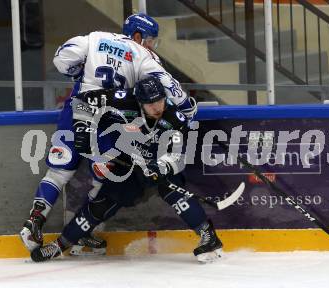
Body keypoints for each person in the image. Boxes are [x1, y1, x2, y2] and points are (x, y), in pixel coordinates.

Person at [20, 13, 197, 255]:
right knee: (106, 173)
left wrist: (78, 73)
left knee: (60, 170)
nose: (152, 45)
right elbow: (173, 92)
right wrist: (188, 108)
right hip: (109, 120)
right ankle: (83, 234)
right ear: (137, 35)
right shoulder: (144, 56)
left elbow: (62, 59)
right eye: (150, 39)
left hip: (77, 109)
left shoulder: (94, 38)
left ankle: (34, 222)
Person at [30, 76, 223, 263]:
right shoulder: (123, 100)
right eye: (151, 104)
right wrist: (82, 128)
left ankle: (208, 236)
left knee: (170, 189)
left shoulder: (175, 118)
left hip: (158, 164)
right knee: (100, 204)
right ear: (139, 102)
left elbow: (178, 157)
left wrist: (160, 168)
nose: (157, 107)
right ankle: (60, 244)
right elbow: (81, 101)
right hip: (128, 162)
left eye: (160, 101)